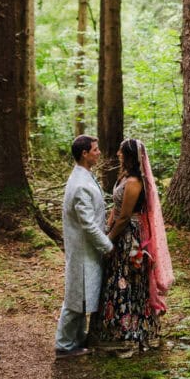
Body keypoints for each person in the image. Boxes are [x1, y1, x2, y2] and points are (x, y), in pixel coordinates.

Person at [91, 137, 174, 350]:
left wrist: (109, 241)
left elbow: (126, 216)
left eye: (121, 151)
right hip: (118, 231)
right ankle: (112, 329)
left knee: (127, 278)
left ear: (129, 155)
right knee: (116, 277)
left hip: (130, 236)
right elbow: (116, 210)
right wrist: (107, 230)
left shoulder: (135, 182)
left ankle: (132, 333)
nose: (118, 154)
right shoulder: (124, 177)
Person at [55, 134, 114, 358]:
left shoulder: (84, 176)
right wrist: (107, 246)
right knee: (75, 298)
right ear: (84, 153)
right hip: (82, 248)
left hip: (86, 248)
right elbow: (88, 225)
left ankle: (76, 340)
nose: (99, 153)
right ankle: (63, 345)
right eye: (96, 150)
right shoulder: (80, 184)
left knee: (80, 296)